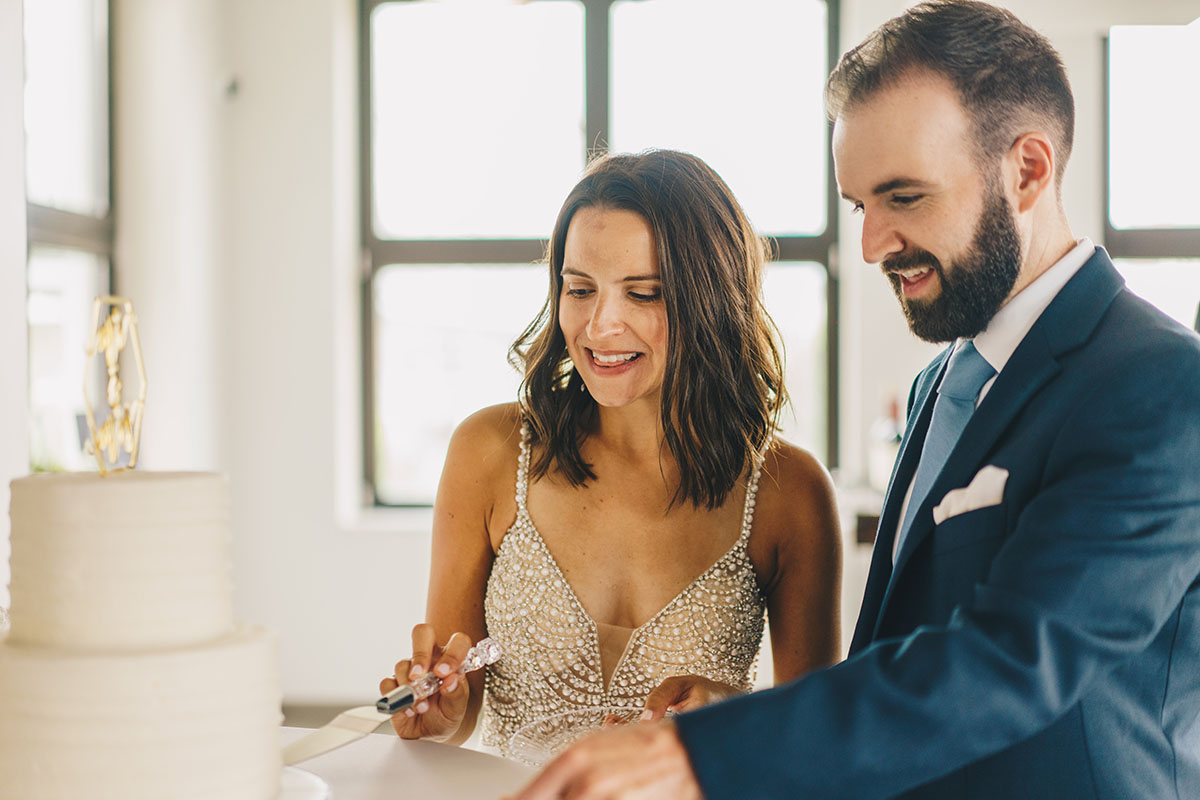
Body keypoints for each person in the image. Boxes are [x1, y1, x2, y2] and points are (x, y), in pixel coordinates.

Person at [509, 2, 1200, 798]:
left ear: (1028, 170)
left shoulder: (1158, 385)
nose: (871, 245)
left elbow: (1011, 656)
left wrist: (706, 753)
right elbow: (894, 663)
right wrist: (740, 712)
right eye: (859, 205)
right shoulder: (939, 384)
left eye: (904, 198)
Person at [380, 148, 842, 752]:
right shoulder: (488, 454)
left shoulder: (790, 492)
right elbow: (455, 705)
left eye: (643, 293)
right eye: (579, 289)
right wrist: (441, 715)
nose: (599, 327)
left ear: (711, 301)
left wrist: (732, 714)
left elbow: (820, 743)